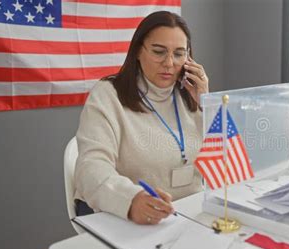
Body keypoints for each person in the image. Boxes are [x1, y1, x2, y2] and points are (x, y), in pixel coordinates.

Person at [73, 11, 209, 225]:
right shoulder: (108, 94)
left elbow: (229, 164)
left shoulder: (192, 94)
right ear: (138, 50)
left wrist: (209, 104)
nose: (169, 63)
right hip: (124, 214)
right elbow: (90, 168)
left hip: (186, 213)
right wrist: (130, 199)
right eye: (158, 51)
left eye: (179, 54)